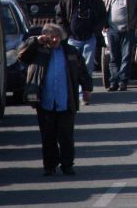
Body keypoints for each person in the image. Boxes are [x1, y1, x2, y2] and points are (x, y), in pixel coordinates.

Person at [18, 24, 93, 176]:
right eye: (51, 36)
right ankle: (49, 166)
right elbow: (22, 55)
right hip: (45, 101)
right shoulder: (38, 51)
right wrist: (36, 41)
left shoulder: (70, 52)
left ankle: (67, 165)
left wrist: (87, 88)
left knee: (66, 136)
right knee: (48, 137)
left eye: (57, 36)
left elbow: (82, 71)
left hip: (65, 102)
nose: (54, 39)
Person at [55, 0, 106, 91]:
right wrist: (66, 32)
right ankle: (75, 91)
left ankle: (85, 91)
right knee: (73, 65)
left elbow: (103, 15)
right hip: (73, 39)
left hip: (89, 38)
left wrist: (96, 31)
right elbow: (59, 16)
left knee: (87, 66)